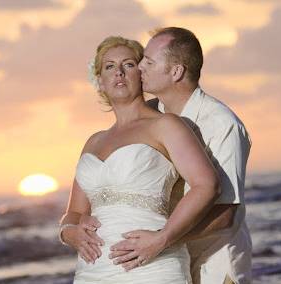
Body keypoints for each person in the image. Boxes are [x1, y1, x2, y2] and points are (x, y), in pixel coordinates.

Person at [59, 36, 220, 283]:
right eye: (109, 66)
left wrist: (162, 238)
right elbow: (74, 213)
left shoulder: (166, 125)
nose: (119, 72)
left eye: (129, 64)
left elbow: (206, 185)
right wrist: (70, 233)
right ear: (100, 81)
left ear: (141, 74)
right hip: (93, 270)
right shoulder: (93, 142)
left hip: (153, 265)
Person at [108, 27, 252, 284]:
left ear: (176, 72)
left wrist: (161, 238)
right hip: (166, 261)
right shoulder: (151, 115)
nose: (140, 67)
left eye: (149, 62)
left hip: (215, 265)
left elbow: (227, 214)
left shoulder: (222, 124)